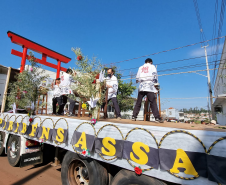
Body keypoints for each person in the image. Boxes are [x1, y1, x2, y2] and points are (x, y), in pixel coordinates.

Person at [132, 58, 163, 123]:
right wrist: (155, 84)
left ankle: (134, 116)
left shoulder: (140, 67)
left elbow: (137, 78)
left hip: (142, 86)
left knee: (138, 102)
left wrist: (140, 80)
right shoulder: (152, 66)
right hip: (149, 85)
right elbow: (155, 75)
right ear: (151, 62)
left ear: (145, 62)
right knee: (153, 102)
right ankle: (157, 118)